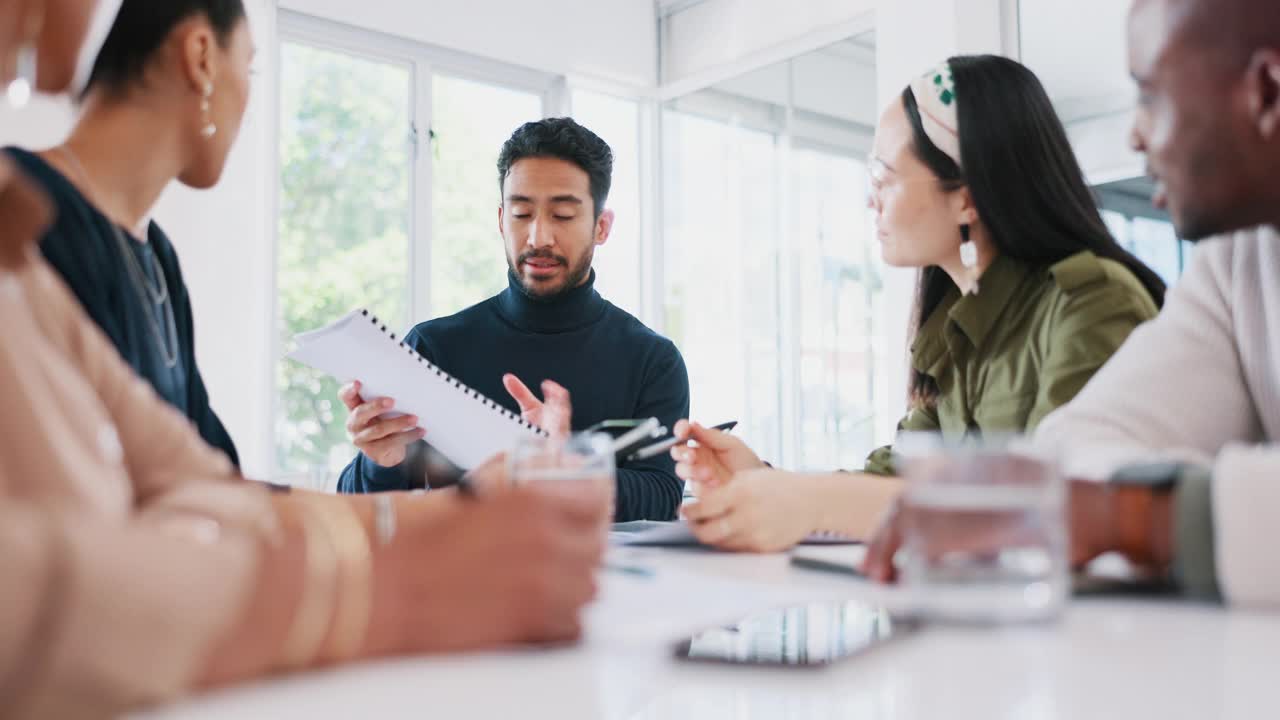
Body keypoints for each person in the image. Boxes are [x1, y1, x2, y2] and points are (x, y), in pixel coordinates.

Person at [0, 2, 609, 716]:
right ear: (201, 58)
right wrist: (399, 571)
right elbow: (82, 558)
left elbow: (205, 481)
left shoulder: (144, 256)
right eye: (250, 68)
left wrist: (470, 509)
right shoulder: (29, 227)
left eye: (563, 212)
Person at [866, 0, 1280, 608]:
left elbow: (1067, 500)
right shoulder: (1237, 260)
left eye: (1151, 94)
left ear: (1267, 92)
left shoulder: (1089, 299)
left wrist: (1135, 516)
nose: (1135, 133)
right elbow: (1070, 456)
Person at [671, 55, 1166, 552]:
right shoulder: (957, 324)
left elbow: (1060, 507)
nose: (872, 201)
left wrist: (809, 498)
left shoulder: (1092, 303)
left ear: (968, 198)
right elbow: (899, 478)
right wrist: (763, 482)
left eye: (884, 177)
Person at [337, 117, 690, 522]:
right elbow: (364, 514)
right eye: (522, 213)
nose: (539, 237)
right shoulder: (433, 349)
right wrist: (379, 462)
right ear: (502, 220)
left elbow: (664, 497)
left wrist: (568, 467)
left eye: (562, 215)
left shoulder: (652, 360)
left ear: (601, 227)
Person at [4, 0, 253, 465]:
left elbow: (211, 469)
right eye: (250, 67)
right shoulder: (23, 214)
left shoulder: (158, 257)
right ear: (201, 56)